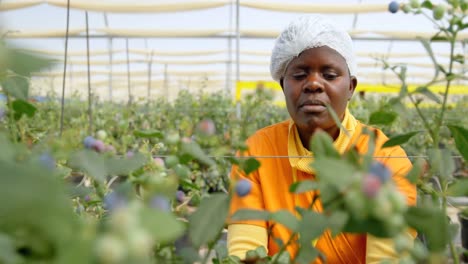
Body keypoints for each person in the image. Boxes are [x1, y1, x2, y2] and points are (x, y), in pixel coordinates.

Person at [227, 15, 416, 263]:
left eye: (329, 75)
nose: (313, 84)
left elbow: (388, 256)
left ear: (350, 87)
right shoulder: (256, 152)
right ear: (283, 85)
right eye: (299, 74)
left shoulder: (385, 158)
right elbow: (246, 252)